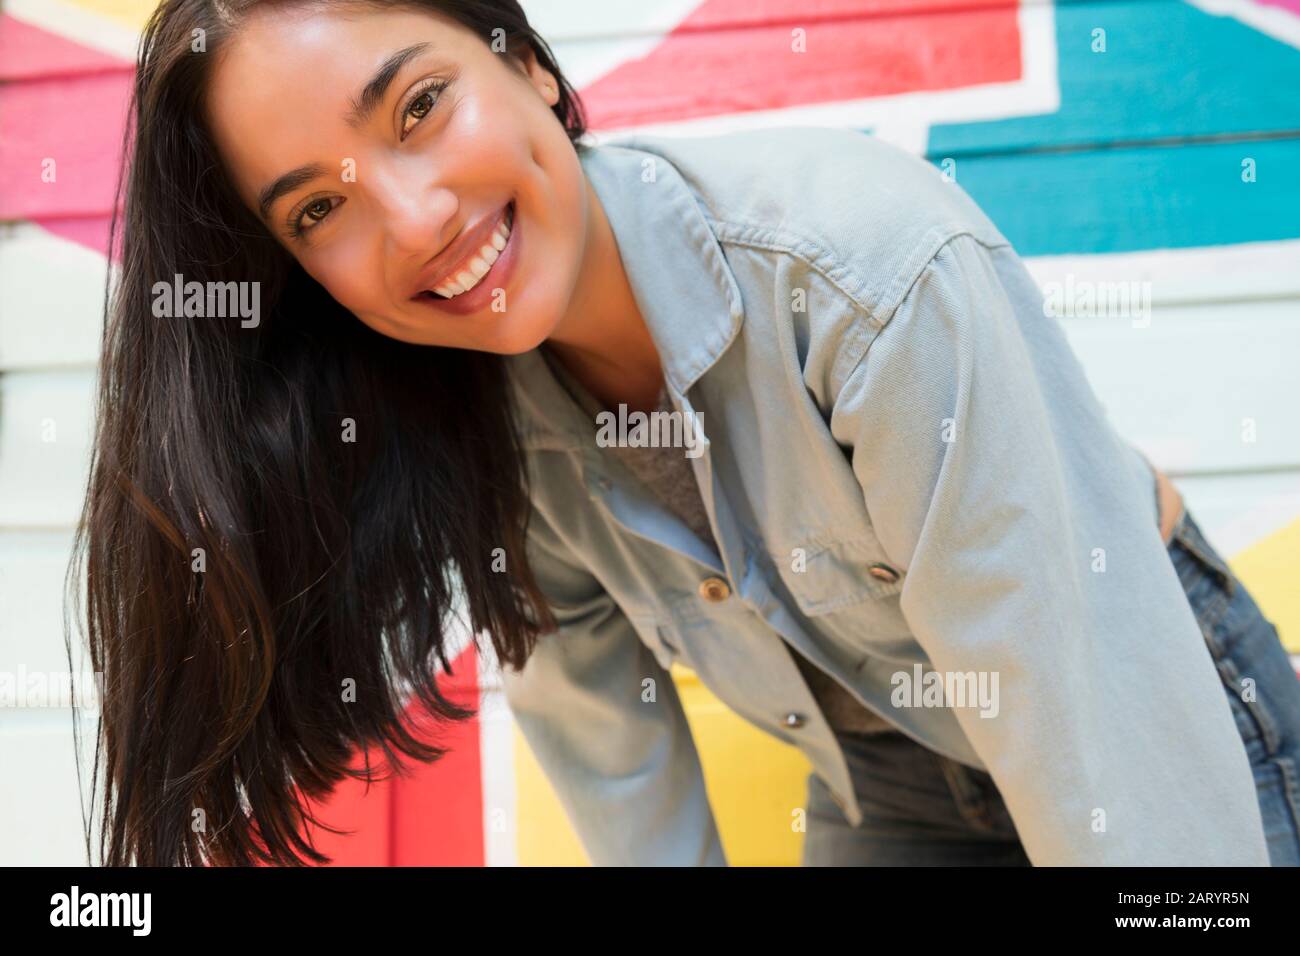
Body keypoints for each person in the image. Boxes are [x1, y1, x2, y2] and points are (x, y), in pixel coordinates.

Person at [76, 0, 1300, 866]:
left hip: (1138, 695)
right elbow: (615, 763)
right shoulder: (469, 417)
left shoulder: (864, 279)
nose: (413, 218)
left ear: (530, 68)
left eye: (421, 105)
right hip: (889, 772)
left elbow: (1085, 716)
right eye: (321, 207)